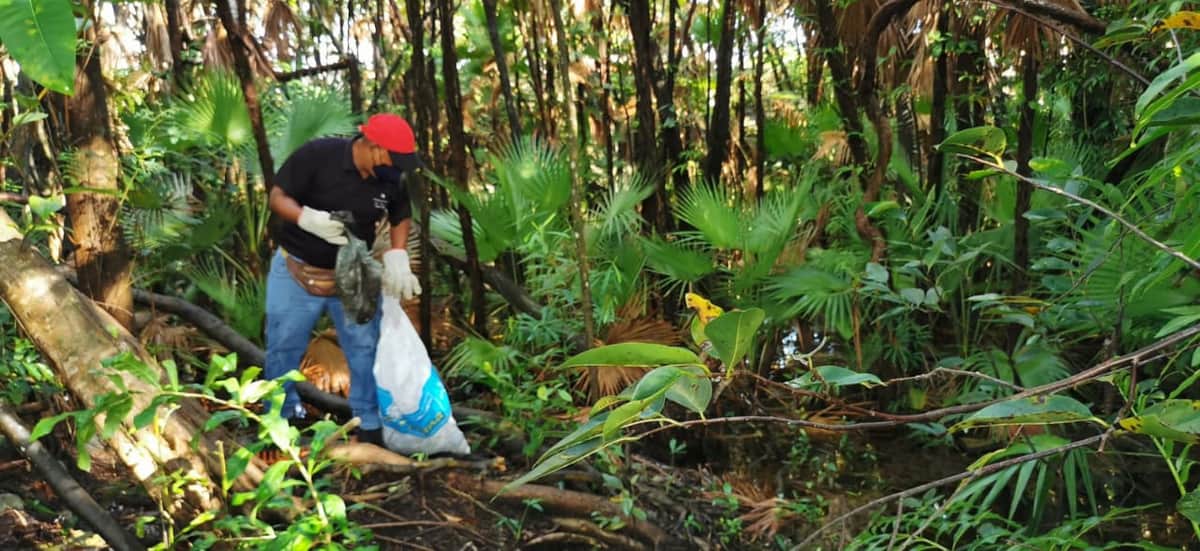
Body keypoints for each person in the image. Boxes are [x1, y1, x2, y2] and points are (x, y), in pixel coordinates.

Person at [264, 113, 422, 446]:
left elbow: (401, 215)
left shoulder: (390, 179)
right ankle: (279, 423)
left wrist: (397, 255)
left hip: (353, 274)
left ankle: (368, 425)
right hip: (297, 269)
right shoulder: (318, 155)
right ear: (375, 148)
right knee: (283, 347)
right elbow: (277, 197)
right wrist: (306, 218)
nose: (398, 169)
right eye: (395, 159)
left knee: (364, 349)